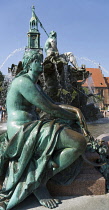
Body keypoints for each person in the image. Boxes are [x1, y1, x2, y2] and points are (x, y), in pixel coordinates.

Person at [0, 50, 87, 210]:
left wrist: (76, 111)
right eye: (37, 61)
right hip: (22, 131)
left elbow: (53, 103)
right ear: (28, 64)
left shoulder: (35, 85)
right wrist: (74, 116)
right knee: (79, 142)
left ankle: (39, 177)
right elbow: (49, 108)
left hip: (33, 127)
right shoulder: (23, 82)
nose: (41, 64)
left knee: (73, 134)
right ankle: (38, 182)